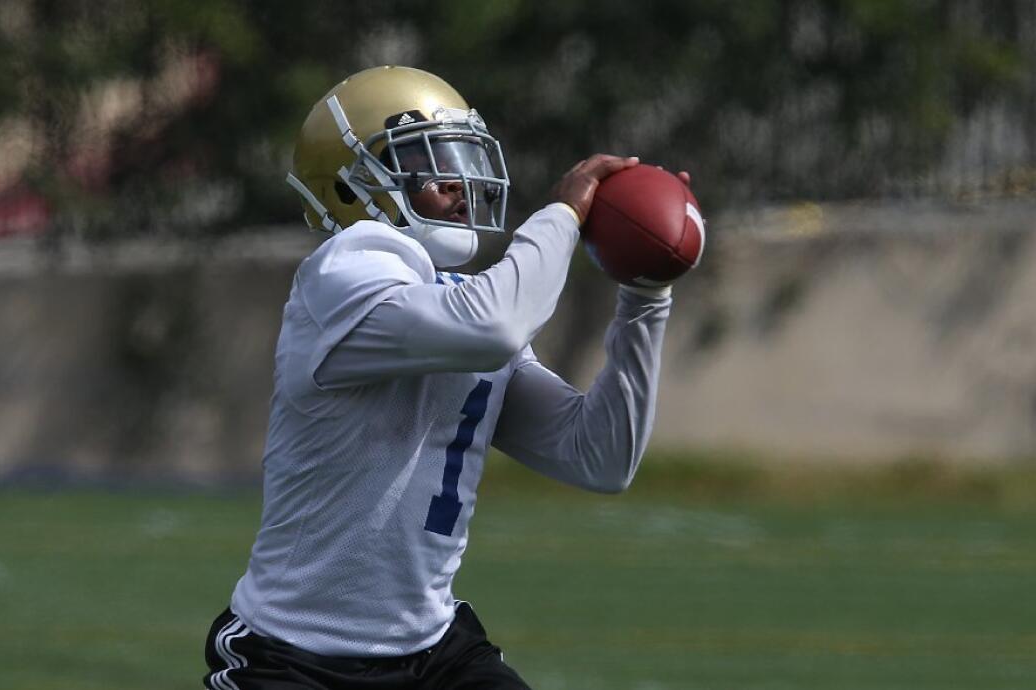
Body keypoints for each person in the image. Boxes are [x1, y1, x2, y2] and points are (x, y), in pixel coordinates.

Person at [203, 65, 683, 690]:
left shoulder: (461, 304)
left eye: (463, 158)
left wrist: (647, 296)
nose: (461, 184)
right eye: (434, 166)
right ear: (356, 186)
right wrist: (562, 215)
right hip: (294, 654)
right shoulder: (343, 273)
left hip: (434, 651)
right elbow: (494, 324)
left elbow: (599, 457)